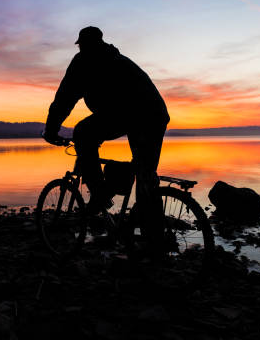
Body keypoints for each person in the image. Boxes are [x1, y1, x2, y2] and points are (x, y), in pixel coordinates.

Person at [43, 26, 170, 255]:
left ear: (82, 44)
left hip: (131, 113)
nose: (81, 48)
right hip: (154, 114)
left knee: (83, 133)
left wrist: (51, 131)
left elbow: (64, 98)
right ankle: (154, 242)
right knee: (145, 175)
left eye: (81, 45)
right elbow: (67, 98)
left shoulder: (83, 62)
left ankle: (100, 194)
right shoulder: (117, 58)